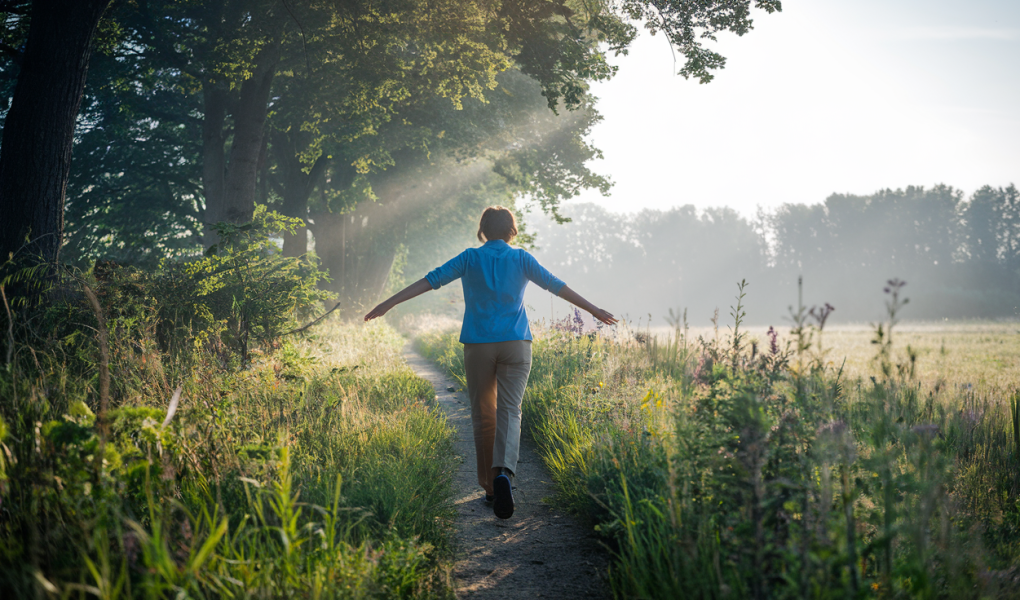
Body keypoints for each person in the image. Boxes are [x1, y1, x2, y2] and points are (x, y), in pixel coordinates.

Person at [364, 206, 617, 519]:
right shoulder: (522, 258)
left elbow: (430, 281)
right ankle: (504, 475)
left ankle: (489, 487)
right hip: (516, 343)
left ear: (482, 230)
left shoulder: (470, 257)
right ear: (512, 230)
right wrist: (594, 310)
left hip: (479, 345)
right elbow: (556, 285)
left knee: (484, 415)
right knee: (510, 411)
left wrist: (388, 303)